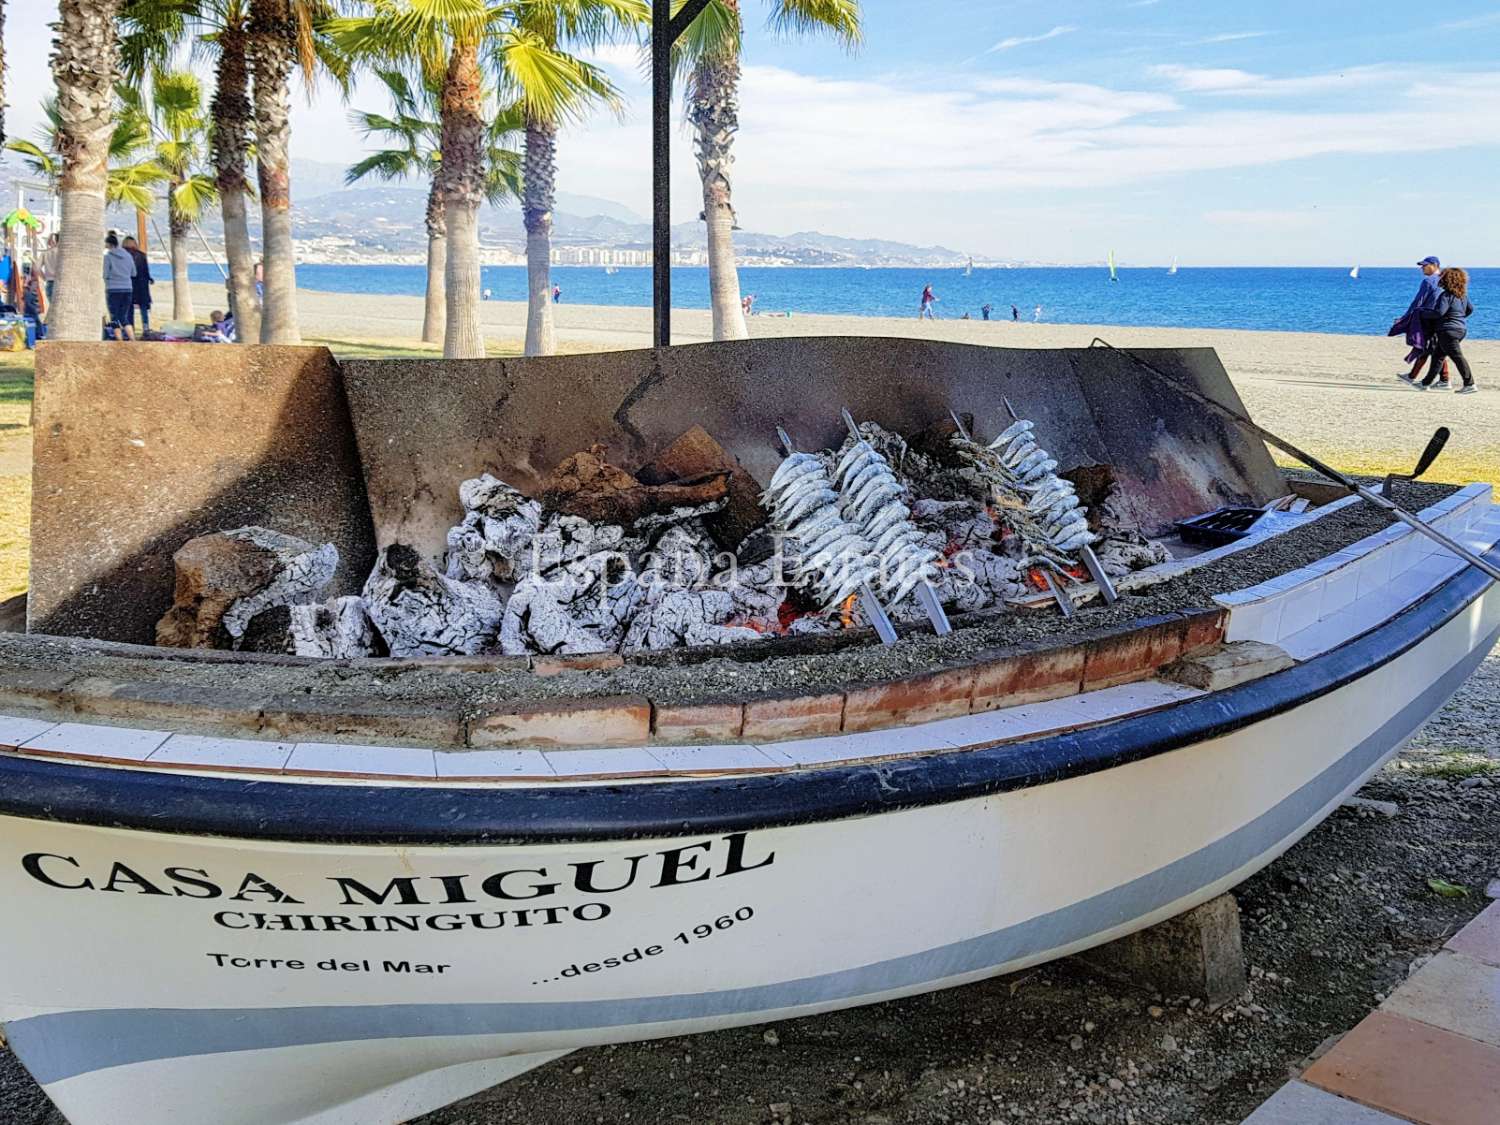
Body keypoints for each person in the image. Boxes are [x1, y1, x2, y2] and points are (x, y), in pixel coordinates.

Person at [1415, 268, 1476, 394]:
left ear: (1447, 280)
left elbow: (1439, 312)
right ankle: (1425, 383)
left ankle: (1470, 384)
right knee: (1437, 356)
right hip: (1460, 329)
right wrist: (1458, 318)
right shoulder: (1462, 296)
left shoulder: (1446, 295)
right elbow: (1470, 310)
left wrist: (1421, 313)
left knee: (1457, 357)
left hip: (1447, 331)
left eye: (1442, 277)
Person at [1396, 256, 1450, 386]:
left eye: (1424, 265)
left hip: (1428, 319)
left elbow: (1418, 301)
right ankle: (1414, 376)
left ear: (1434, 265)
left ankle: (1444, 380)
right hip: (1442, 319)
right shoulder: (1446, 280)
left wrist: (1405, 317)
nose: (1422, 268)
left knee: (1429, 348)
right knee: (1434, 348)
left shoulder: (1428, 281)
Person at [102, 232, 136, 340]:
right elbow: (133, 273)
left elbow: (105, 274)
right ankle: (133, 339)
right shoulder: (128, 255)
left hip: (113, 288)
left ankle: (119, 341)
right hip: (127, 288)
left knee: (114, 317)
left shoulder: (108, 256)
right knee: (123, 316)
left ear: (109, 244)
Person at [122, 236, 153, 333]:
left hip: (129, 283)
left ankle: (131, 329)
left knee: (129, 308)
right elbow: (145, 270)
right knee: (143, 308)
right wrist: (149, 278)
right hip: (142, 284)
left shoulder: (122, 256)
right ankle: (146, 328)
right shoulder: (141, 255)